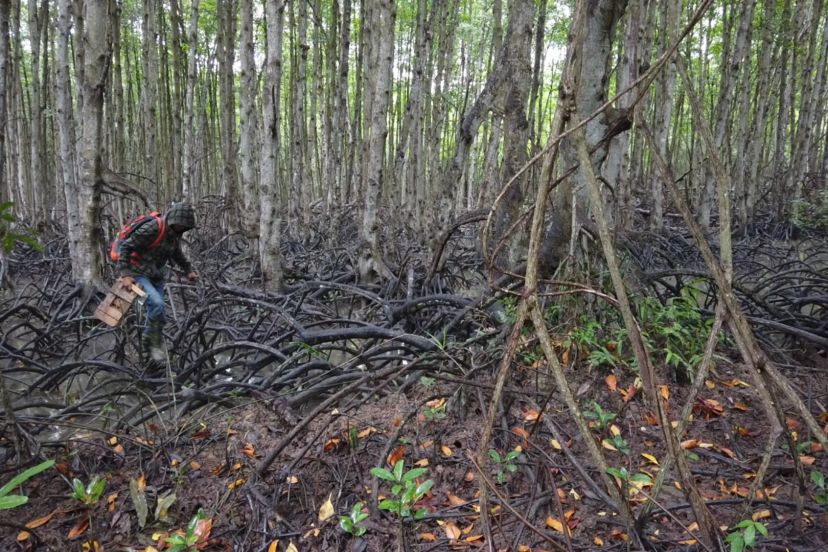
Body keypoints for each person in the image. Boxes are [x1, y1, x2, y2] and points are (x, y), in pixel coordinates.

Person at [116, 202, 198, 363]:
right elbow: (126, 247)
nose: (182, 228)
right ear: (174, 219)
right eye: (181, 224)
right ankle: (150, 346)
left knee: (159, 315)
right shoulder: (153, 228)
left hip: (156, 276)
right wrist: (125, 274)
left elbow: (176, 254)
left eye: (184, 226)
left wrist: (188, 270)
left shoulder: (174, 233)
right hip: (137, 274)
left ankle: (151, 356)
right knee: (157, 305)